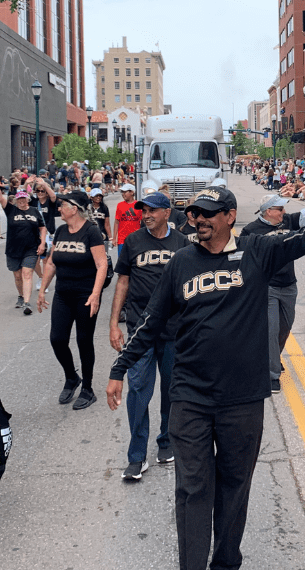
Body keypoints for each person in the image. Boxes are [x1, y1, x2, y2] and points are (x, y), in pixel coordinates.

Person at [106, 174, 305, 570]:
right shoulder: (181, 263)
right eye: (194, 213)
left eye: (209, 213)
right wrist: (120, 368)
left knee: (234, 487)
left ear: (229, 216)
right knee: (193, 489)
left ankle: (225, 561)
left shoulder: (258, 250)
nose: (199, 219)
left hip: (242, 400)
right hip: (189, 397)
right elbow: (151, 321)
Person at [109, 193, 188, 481]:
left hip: (173, 332)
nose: (146, 214)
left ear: (167, 212)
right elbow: (123, 282)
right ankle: (136, 456)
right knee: (139, 391)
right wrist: (113, 324)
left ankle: (166, 442)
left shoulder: (182, 244)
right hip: (139, 330)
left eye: (153, 210)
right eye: (144, 210)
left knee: (171, 391)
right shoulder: (133, 242)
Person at [241, 182, 305, 392]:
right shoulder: (251, 231)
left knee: (284, 329)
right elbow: (244, 260)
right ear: (269, 212)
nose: (284, 212)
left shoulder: (289, 221)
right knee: (271, 328)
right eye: (280, 209)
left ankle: (273, 357)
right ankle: (271, 374)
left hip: (288, 286)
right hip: (266, 287)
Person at [37, 190, 108, 410]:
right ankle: (71, 377)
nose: (59, 209)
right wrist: (42, 290)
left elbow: (101, 264)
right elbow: (51, 263)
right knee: (57, 339)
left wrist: (95, 294)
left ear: (73, 208)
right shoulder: (60, 231)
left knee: (83, 341)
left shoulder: (91, 232)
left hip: (85, 295)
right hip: (63, 294)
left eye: (62, 205)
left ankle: (87, 388)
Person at [0, 172, 48, 316]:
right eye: (19, 199)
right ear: (16, 201)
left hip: (31, 248)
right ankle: (21, 296)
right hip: (13, 249)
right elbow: (0, 197)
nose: (22, 201)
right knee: (17, 276)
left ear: (27, 199)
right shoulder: (11, 210)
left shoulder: (34, 211)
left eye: (24, 199)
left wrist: (42, 243)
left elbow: (42, 227)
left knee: (27, 273)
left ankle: (27, 303)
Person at [114, 184, 141, 248]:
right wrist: (114, 238)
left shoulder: (138, 206)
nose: (123, 194)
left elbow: (142, 223)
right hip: (122, 240)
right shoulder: (120, 205)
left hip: (135, 239)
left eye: (125, 192)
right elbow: (116, 222)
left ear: (132, 192)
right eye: (122, 192)